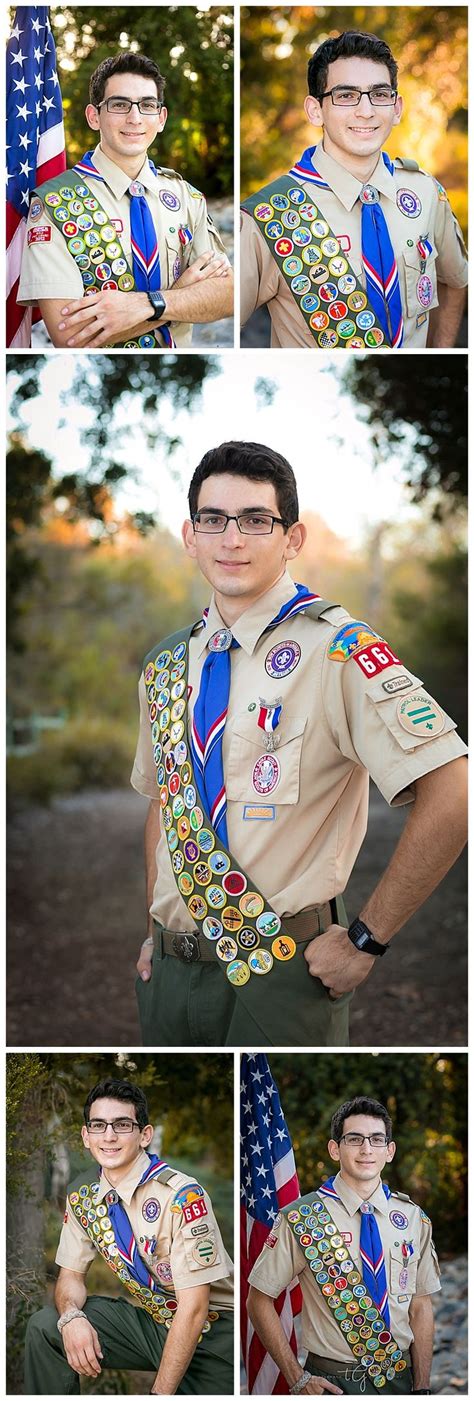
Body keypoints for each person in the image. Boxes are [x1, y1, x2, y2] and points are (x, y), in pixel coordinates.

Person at [130, 441, 467, 1049]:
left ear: (293, 539)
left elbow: (455, 792)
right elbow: (164, 802)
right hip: (169, 980)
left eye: (257, 520)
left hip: (281, 974)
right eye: (214, 520)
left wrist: (366, 941)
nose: (233, 539)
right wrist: (156, 925)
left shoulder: (338, 651)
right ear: (190, 535)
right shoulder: (165, 665)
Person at [240, 30, 467, 350]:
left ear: (397, 107)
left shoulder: (425, 192)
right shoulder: (268, 215)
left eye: (379, 94)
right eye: (346, 95)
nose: (366, 111)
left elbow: (455, 281)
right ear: (315, 110)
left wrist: (442, 351)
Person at [24, 1077, 233, 1395]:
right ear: (85, 1136)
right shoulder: (83, 1196)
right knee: (46, 1325)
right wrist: (71, 1316)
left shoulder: (181, 1195)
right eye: (98, 1125)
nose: (109, 1136)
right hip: (155, 1321)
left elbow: (194, 1309)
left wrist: (158, 1393)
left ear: (144, 1135)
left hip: (214, 1332)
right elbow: (70, 1278)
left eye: (122, 1124)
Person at [17, 51, 233, 349]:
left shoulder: (187, 197)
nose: (135, 118)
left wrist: (146, 305)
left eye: (147, 105)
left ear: (161, 118)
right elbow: (71, 338)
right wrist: (182, 295)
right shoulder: (55, 205)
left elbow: (227, 295)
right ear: (94, 116)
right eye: (120, 105)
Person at [246, 1095, 440, 1396]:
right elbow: (258, 1301)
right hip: (331, 1382)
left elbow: (421, 1305)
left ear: (389, 1151)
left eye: (377, 1140)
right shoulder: (303, 1217)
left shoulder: (413, 1217)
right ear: (335, 1148)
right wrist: (297, 1377)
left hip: (400, 1380)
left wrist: (423, 1387)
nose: (366, 1149)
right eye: (354, 1139)